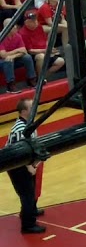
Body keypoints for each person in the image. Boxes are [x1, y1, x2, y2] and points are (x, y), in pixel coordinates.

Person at [6, 98, 44, 233]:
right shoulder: (20, 129)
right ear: (24, 111)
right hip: (17, 166)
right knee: (27, 193)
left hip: (25, 163)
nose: (35, 109)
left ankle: (30, 211)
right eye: (31, 107)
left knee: (31, 191)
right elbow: (18, 153)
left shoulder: (29, 124)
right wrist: (29, 167)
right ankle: (28, 225)